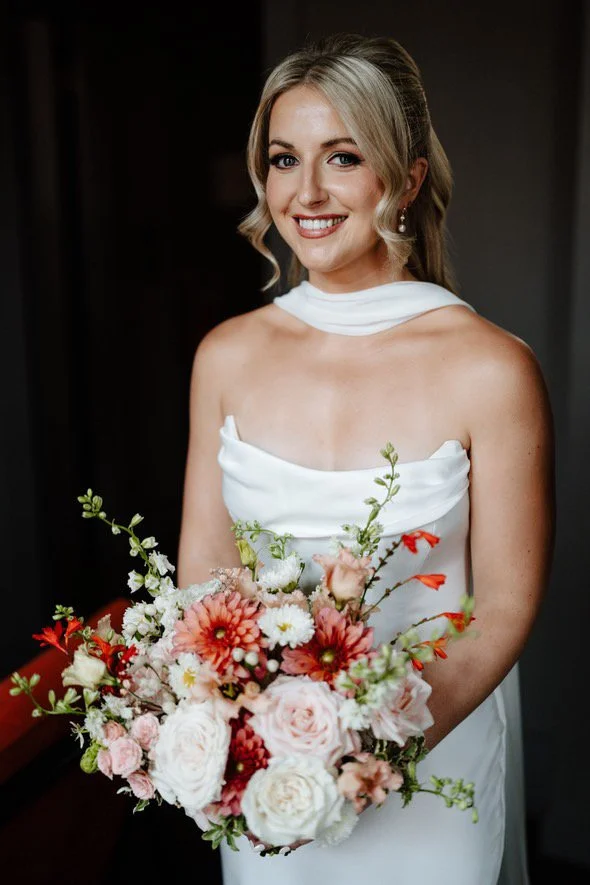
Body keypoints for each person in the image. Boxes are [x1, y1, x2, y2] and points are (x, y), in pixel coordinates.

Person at [177, 33, 554, 885]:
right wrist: (251, 737)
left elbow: (503, 603)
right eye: (282, 159)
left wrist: (372, 751)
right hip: (269, 772)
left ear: (407, 175)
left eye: (341, 157)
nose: (305, 192)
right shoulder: (225, 357)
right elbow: (204, 567)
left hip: (429, 764)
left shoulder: (492, 367)